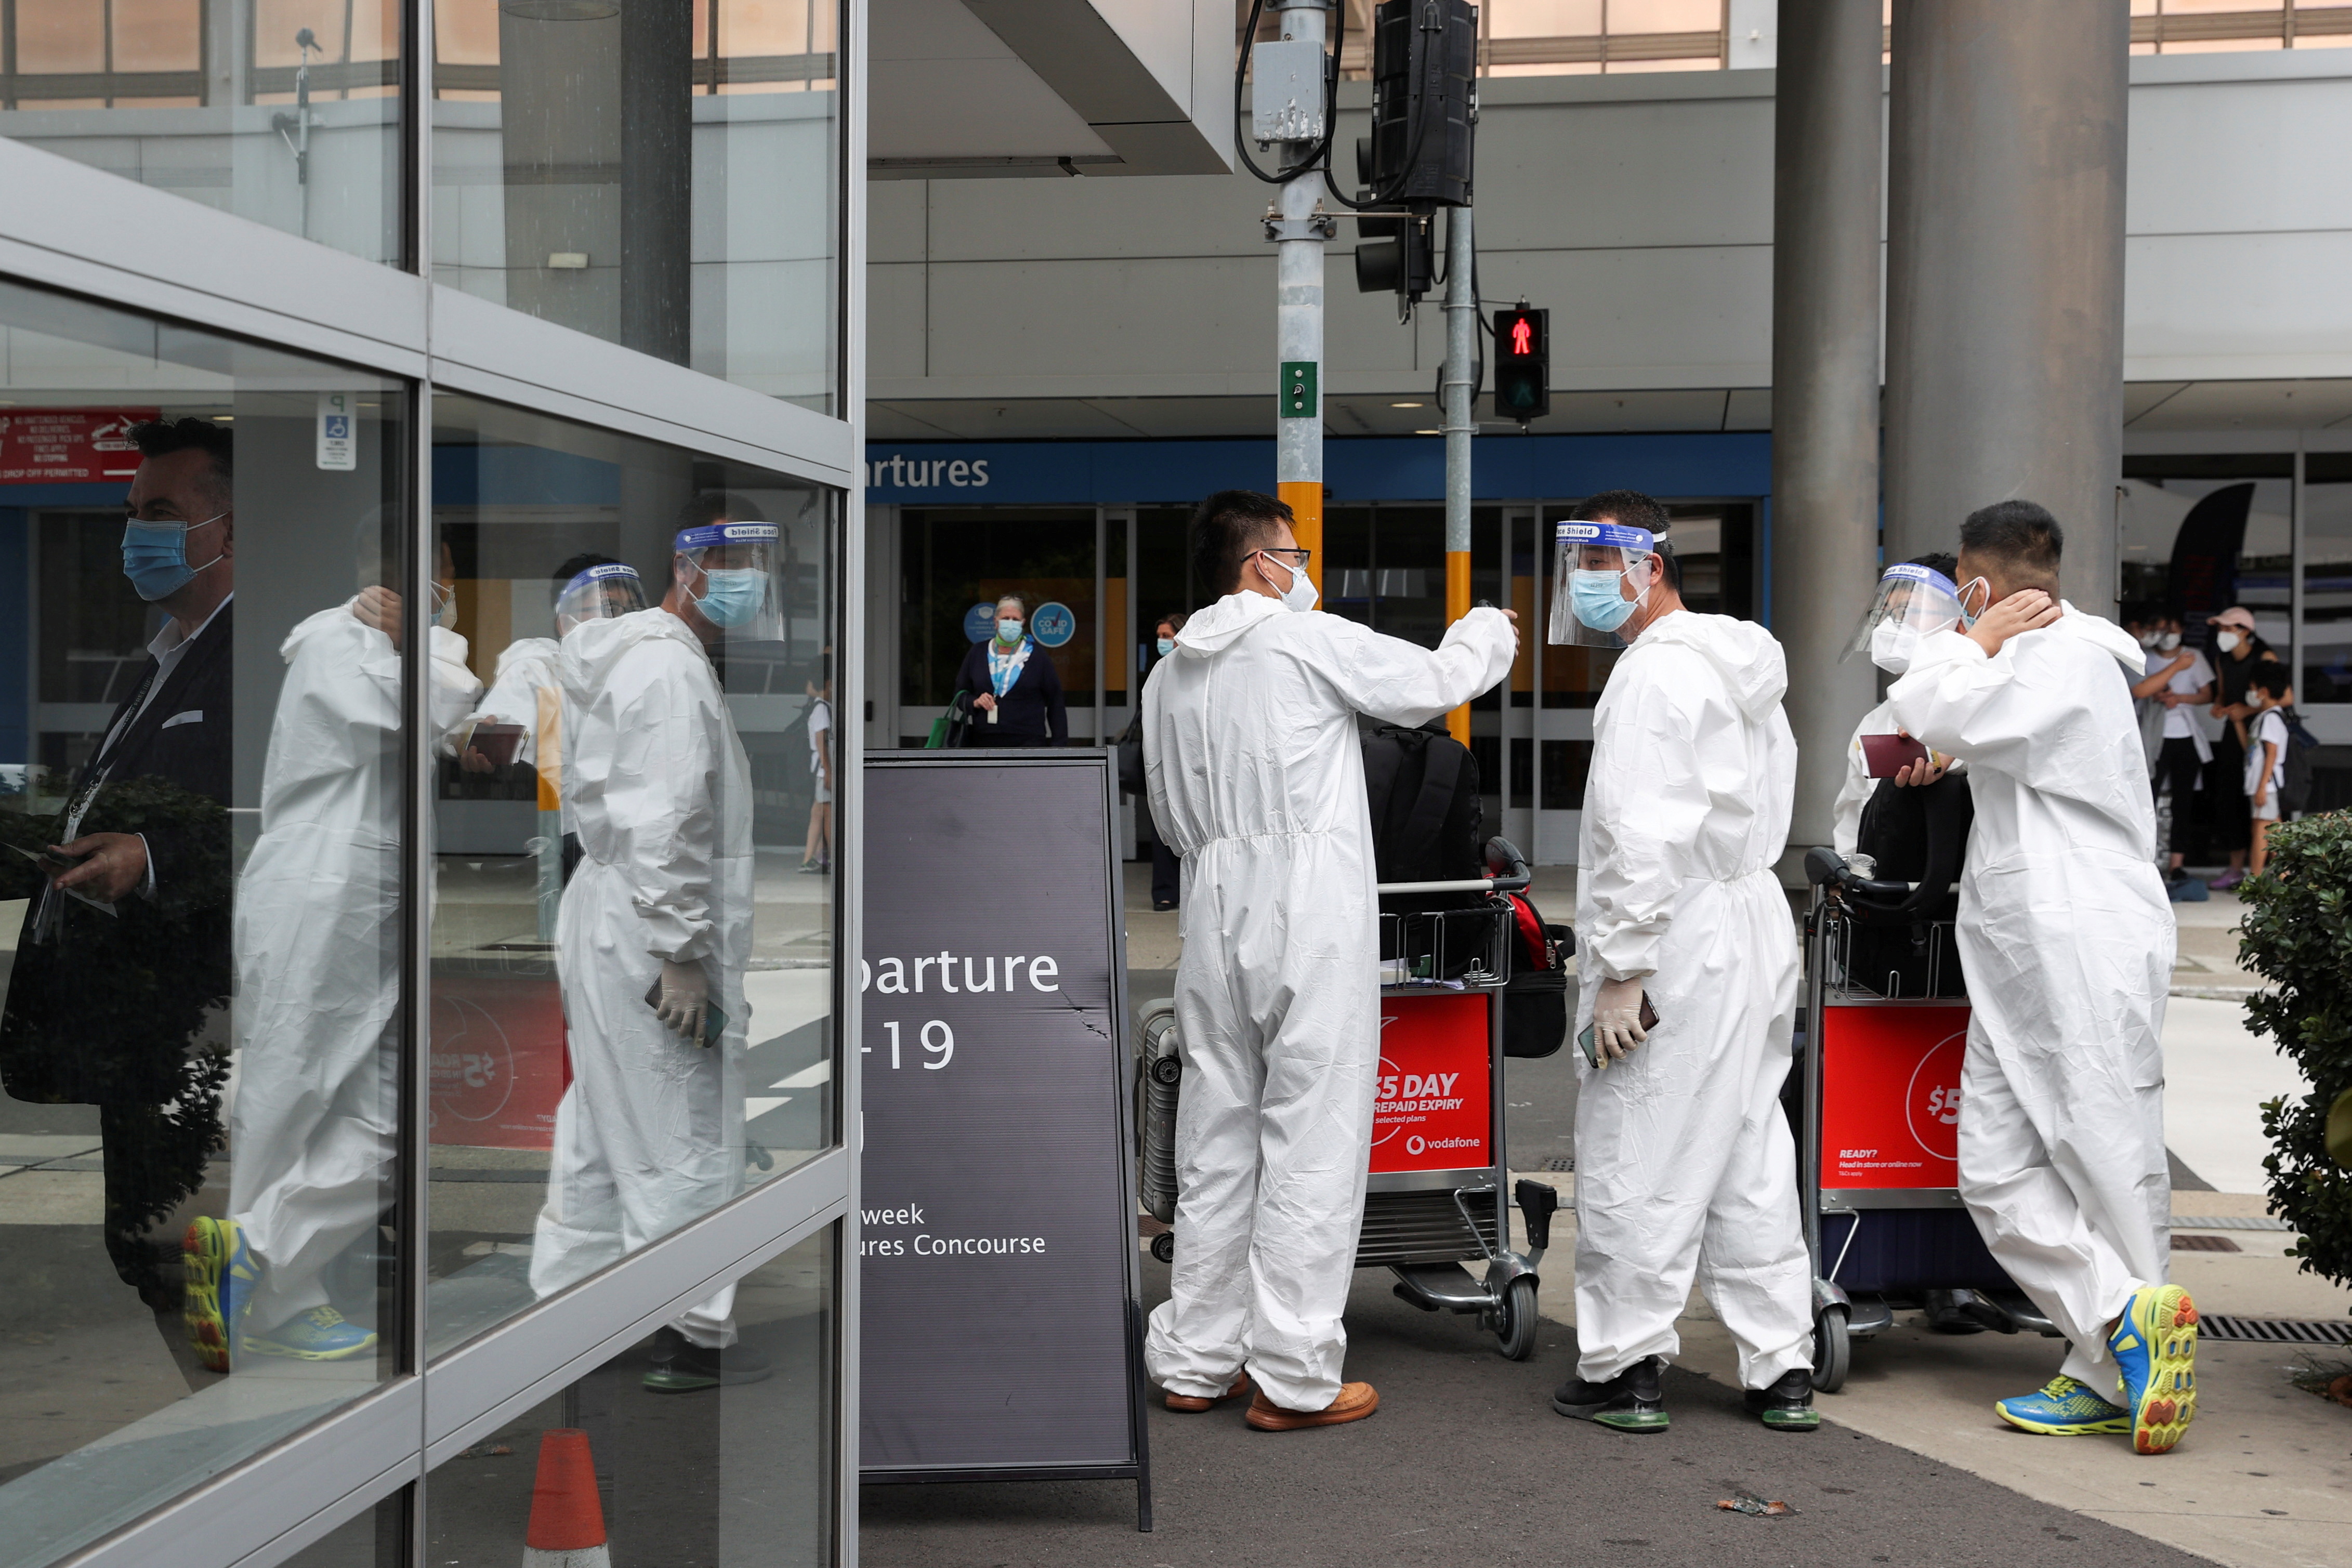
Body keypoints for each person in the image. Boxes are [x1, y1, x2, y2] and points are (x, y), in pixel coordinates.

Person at [1141, 490, 1515, 1432]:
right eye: (1293, 553)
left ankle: (1196, 1355)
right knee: (1312, 1135)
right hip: (1306, 905)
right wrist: (1484, 629)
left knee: (1215, 1136)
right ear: (1261, 563)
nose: (1302, 568)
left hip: (1212, 905)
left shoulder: (1166, 678)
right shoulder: (1301, 641)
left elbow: (1169, 817)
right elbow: (1431, 684)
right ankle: (1296, 1374)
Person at [1888, 499, 2195, 1454]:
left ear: (1982, 585)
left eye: (1963, 598)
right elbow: (1957, 729)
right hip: (2039, 940)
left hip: (2076, 931)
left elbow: (1927, 698)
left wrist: (1968, 642)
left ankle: (2122, 1350)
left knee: (2103, 1149)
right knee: (1997, 1163)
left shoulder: (2055, 654)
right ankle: (2117, 1331)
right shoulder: (2044, 661)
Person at [1544, 489, 1819, 1436]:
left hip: (1678, 932)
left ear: (1648, 566)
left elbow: (1639, 832)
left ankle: (1626, 1365)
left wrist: (1623, 964)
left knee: (1639, 1138)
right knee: (1748, 1144)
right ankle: (1781, 1366)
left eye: (1593, 567)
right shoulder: (1739, 662)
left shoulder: (1654, 677)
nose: (1581, 587)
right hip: (1749, 919)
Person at [187, 531, 482, 1369]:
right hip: (318, 897)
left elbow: (446, 713)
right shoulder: (333, 638)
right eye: (432, 579)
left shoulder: (395, 650)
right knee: (288, 1098)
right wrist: (420, 643)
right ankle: (278, 1297)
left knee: (392, 1120)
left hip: (367, 908)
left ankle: (259, 1252)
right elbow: (432, 702)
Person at [0, 418, 236, 1325]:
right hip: (138, 1016)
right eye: (133, 510)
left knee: (186, 1246)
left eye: (163, 511)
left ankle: (251, 1434)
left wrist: (153, 856)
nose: (137, 531)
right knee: (152, 1244)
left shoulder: (255, 654)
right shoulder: (160, 658)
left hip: (201, 1012)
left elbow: (283, 826)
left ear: (230, 529)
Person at [533, 493, 770, 1394]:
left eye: (758, 570)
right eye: (736, 567)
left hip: (609, 913)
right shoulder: (668, 671)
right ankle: (687, 1327)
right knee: (685, 1124)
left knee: (602, 1122)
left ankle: (575, 1309)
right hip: (648, 926)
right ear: (687, 569)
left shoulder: (626, 659)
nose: (749, 586)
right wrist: (680, 950)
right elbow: (668, 819)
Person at [1830, 554, 1964, 870]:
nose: (1892, 625)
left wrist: (1949, 757)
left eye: (1908, 611)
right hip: (1888, 898)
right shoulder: (1876, 721)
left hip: (1955, 891)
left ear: (1958, 618)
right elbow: (1853, 815)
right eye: (1887, 612)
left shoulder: (1982, 696)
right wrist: (1849, 881)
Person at [2203, 606, 2287, 891]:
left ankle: (2273, 870)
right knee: (2229, 797)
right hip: (2235, 732)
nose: (2223, 634)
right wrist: (2221, 708)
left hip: (2259, 733)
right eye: (2221, 628)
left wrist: (2248, 709)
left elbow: (2284, 698)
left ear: (2245, 631)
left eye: (2229, 628)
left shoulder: (2264, 656)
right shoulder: (2222, 659)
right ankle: (2237, 868)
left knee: (2265, 812)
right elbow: (2222, 696)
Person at [2129, 611, 2213, 882]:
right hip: (2153, 735)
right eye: (2163, 630)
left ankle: (2177, 862)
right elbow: (2139, 689)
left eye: (2173, 630)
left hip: (2185, 735)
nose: (2168, 637)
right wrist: (2160, 691)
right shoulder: (2142, 655)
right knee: (2147, 798)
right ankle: (2146, 858)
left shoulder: (2193, 657)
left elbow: (2207, 695)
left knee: (2183, 802)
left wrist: (2179, 698)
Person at [955, 594, 1067, 746]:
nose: (1010, 623)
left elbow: (1055, 701)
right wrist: (975, 702)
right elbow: (960, 694)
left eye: (1015, 620)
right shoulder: (978, 652)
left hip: (1028, 743)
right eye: (1006, 618)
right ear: (996, 622)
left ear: (1023, 623)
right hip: (984, 742)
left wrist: (1059, 746)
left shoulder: (1037, 655)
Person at [1143, 612, 1187, 911]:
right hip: (1163, 754)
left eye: (1167, 636)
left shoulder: (1191, 670)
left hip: (1188, 757)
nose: (1163, 642)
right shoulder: (1157, 670)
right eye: (1159, 636)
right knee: (1162, 820)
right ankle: (1165, 891)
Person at [2244, 663, 2293, 877]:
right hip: (2264, 784)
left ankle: (2255, 879)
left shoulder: (2271, 718)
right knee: (2275, 832)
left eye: (2253, 688)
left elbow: (2271, 753)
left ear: (2263, 692)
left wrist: (2262, 786)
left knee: (2261, 831)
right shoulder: (2265, 717)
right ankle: (2286, 876)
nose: (2251, 693)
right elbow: (2253, 749)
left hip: (2266, 785)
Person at [801, 660, 833, 875]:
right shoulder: (822, 708)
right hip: (824, 771)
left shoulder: (822, 706)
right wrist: (829, 770)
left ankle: (811, 857)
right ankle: (832, 856)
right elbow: (821, 738)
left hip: (822, 769)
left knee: (817, 814)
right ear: (829, 684)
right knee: (827, 814)